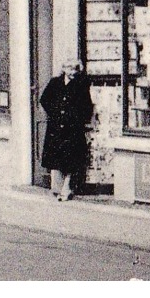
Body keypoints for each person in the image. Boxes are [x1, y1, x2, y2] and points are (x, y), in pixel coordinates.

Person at [40, 59, 93, 201]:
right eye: (70, 68)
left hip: (72, 129)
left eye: (75, 69)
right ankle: (56, 189)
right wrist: (55, 113)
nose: (73, 72)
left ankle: (67, 189)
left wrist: (77, 118)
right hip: (56, 128)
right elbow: (44, 99)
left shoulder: (80, 85)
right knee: (56, 159)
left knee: (71, 161)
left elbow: (87, 106)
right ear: (64, 69)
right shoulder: (55, 83)